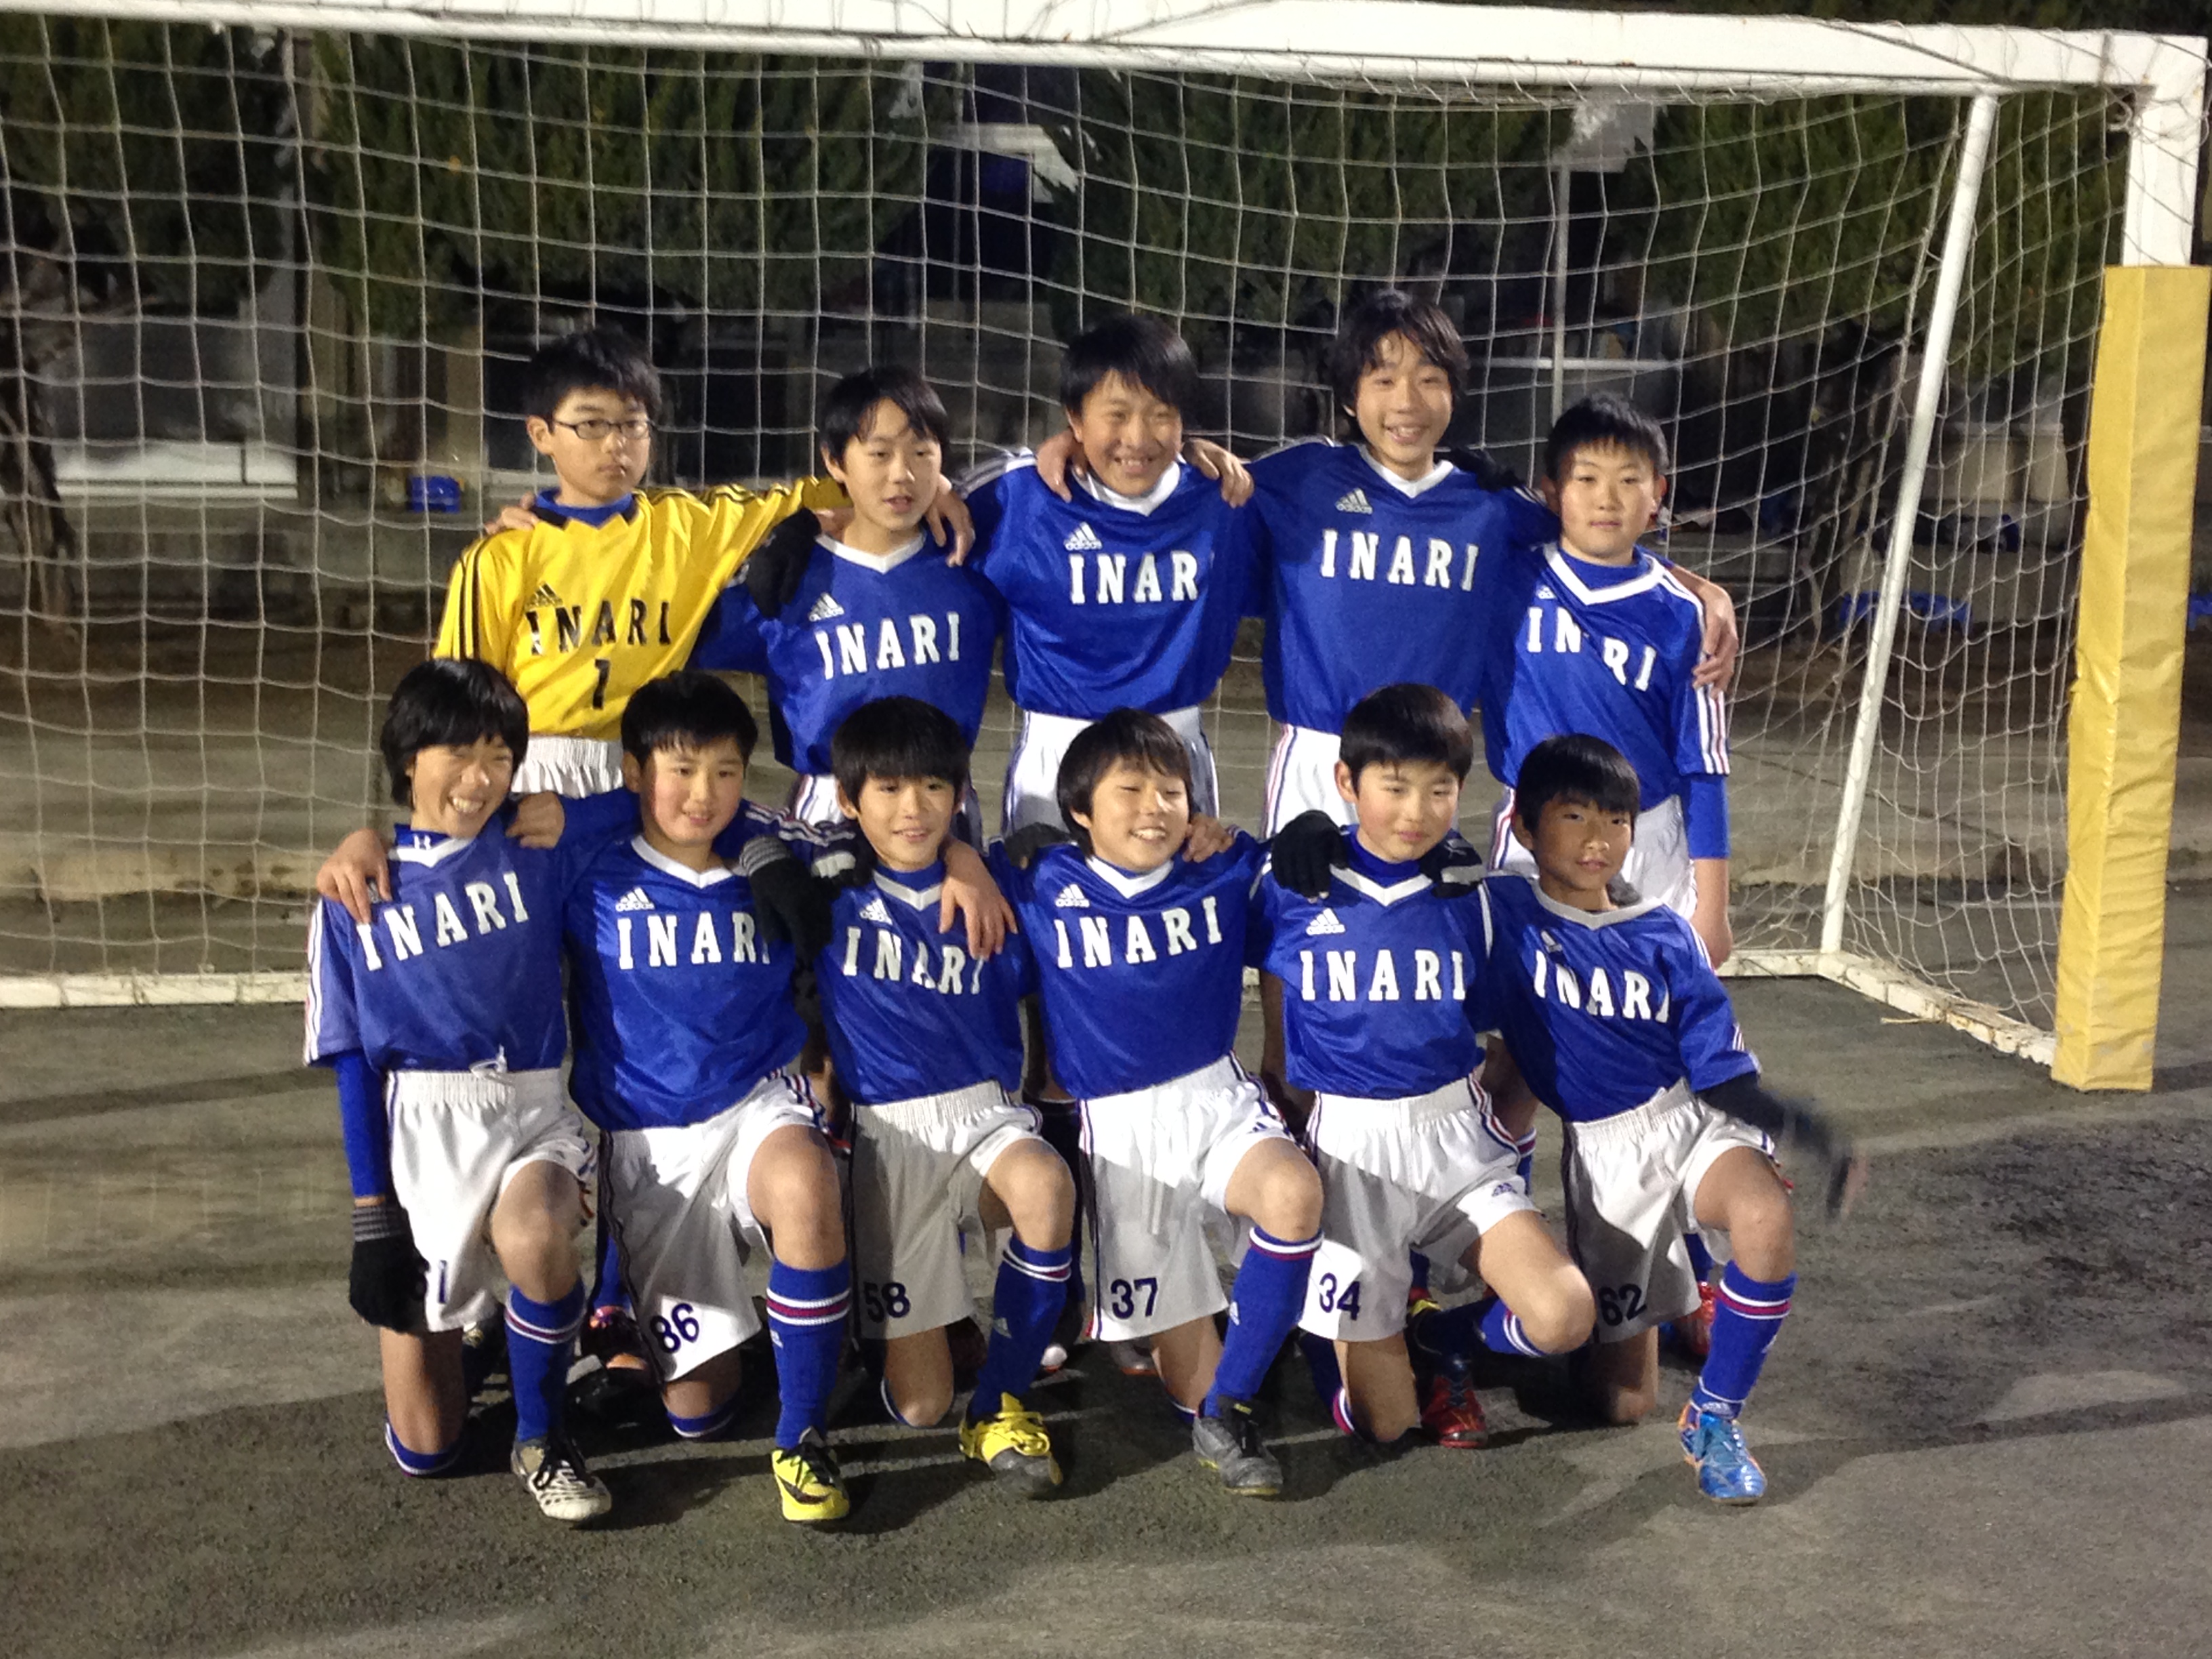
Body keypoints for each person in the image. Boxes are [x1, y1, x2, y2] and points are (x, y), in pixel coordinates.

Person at [1479, 733, 1863, 1503]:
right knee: (1620, 1402)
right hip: (1607, 1157)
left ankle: (1715, 1416)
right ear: (1524, 826)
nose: (1598, 839)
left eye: (1617, 821)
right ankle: (1463, 1335)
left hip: (1688, 1122)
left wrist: (1803, 1128)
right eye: (1575, 817)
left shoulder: (1665, 934)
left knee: (1763, 1212)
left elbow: (1720, 1073)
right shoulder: (1500, 911)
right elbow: (1410, 879)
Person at [304, 657, 621, 1523]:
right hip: (422, 1134)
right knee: (427, 1449)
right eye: (458, 754)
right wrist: (373, 1219)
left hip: (530, 1110)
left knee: (536, 1235)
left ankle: (543, 1438)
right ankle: (487, 1332)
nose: (480, 779)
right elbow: (354, 1065)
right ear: (409, 758)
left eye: (499, 757)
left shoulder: (535, 849)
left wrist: (575, 811)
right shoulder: (352, 894)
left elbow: (655, 804)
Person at [1251, 684, 1595, 1448]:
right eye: (1395, 787)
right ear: (1347, 782)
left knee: (1564, 1316)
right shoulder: (1289, 883)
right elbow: (1183, 871)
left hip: (1453, 1139)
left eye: (1440, 790)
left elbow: (1530, 1008)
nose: (1416, 811)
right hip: (1347, 1148)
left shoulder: (1477, 895)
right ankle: (1321, 1325)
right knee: (1387, 1425)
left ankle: (1444, 1338)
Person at [991, 710, 1325, 1495]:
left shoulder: (1221, 864)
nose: (1155, 808)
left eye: (1171, 792)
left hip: (1217, 1096)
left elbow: (1311, 876)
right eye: (1130, 791)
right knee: (1185, 1382)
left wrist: (1314, 837)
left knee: (1294, 1194)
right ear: (1079, 810)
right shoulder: (1040, 881)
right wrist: (988, 860)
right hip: (1121, 1129)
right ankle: (1208, 1376)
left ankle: (1232, 1407)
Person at [560, 672, 855, 1522]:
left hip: (758, 1102)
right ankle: (776, 1331)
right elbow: (480, 842)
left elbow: (869, 848)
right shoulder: (587, 868)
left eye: (726, 772)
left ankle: (803, 1435)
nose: (704, 794)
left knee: (806, 1179)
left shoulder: (772, 843)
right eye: (681, 771)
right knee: (699, 1413)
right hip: (652, 1145)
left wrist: (966, 864)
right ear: (634, 771)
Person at [808, 696, 1076, 1494]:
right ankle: (884, 1329)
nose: (913, 809)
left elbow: (1080, 861)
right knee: (919, 1405)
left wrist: (971, 860)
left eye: (933, 787)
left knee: (1045, 1186)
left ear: (960, 794)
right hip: (887, 1134)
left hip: (985, 1112)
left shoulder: (1000, 889)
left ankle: (1000, 1403)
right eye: (888, 790)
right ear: (847, 799)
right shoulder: (828, 887)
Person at [962, 314, 1253, 834]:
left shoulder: (1223, 496)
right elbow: (887, 501)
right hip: (1057, 754)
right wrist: (833, 515)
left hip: (1172, 756)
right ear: (1075, 419)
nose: (1137, 438)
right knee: (1047, 887)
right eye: (1116, 415)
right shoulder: (1018, 496)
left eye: (1161, 415)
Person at [688, 369, 1004, 837]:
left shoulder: (973, 564)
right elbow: (672, 639)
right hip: (828, 811)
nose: (902, 474)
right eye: (879, 454)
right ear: (835, 461)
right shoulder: (785, 577)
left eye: (921, 453)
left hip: (941, 805)